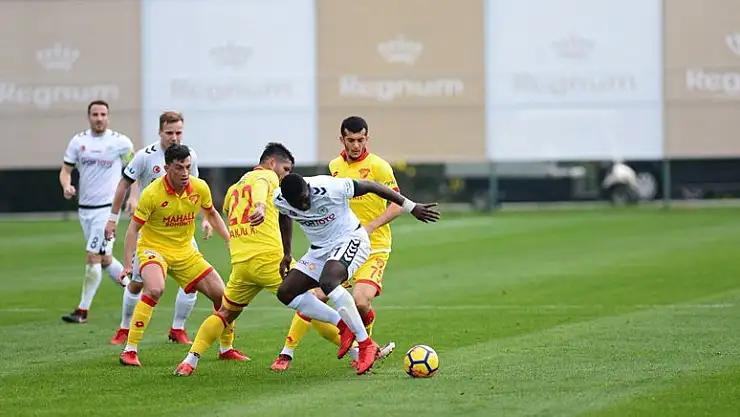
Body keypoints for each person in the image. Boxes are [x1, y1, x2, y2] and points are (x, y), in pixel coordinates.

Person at [273, 173, 440, 375]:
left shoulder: (329, 188)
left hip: (351, 239)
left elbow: (371, 185)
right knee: (286, 292)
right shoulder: (279, 199)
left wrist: (411, 206)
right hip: (319, 250)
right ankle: (342, 324)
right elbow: (284, 214)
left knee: (328, 282)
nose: (304, 204)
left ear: (308, 189)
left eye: (305, 198)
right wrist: (287, 253)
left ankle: (366, 343)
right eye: (298, 203)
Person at [271, 116, 399, 371]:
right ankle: (288, 352)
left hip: (373, 245)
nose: (356, 145)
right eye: (351, 140)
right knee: (313, 296)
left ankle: (364, 346)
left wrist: (370, 227)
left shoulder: (379, 166)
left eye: (360, 140)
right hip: (336, 245)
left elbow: (396, 204)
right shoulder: (334, 166)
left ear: (367, 138)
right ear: (342, 139)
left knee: (360, 302)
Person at [174, 143, 295, 376]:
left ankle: (189, 361)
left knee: (225, 313)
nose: (285, 175)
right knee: (312, 300)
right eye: (285, 169)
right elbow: (261, 185)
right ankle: (357, 349)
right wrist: (260, 205)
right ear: (272, 163)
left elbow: (229, 212)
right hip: (269, 260)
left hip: (241, 263)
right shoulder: (268, 176)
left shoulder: (233, 189)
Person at [117, 144, 243, 367]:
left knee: (223, 296)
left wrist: (229, 240)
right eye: (179, 168)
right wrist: (128, 264)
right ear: (167, 169)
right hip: (153, 249)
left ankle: (226, 348)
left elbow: (212, 214)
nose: (185, 173)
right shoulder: (152, 193)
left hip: (185, 252)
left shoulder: (199, 187)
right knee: (155, 289)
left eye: (188, 167)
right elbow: (133, 229)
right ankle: (130, 350)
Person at [105, 111, 211, 345]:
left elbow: (197, 189)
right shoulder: (144, 157)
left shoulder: (190, 155)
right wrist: (113, 218)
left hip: (181, 231)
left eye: (178, 132)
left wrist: (205, 218)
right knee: (138, 282)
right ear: (160, 132)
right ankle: (124, 328)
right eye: (169, 132)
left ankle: (178, 328)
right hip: (151, 232)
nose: (174, 137)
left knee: (193, 281)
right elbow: (124, 184)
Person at [59, 100, 135, 324]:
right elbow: (65, 170)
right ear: (89, 117)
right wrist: (66, 185)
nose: (99, 118)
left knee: (93, 255)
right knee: (105, 260)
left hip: (107, 209)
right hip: (85, 209)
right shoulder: (78, 141)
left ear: (108, 117)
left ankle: (82, 311)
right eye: (95, 114)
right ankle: (136, 294)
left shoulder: (120, 142)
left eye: (103, 114)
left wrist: (134, 197)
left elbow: (134, 171)